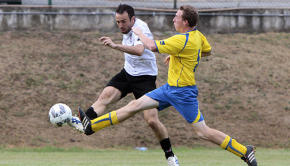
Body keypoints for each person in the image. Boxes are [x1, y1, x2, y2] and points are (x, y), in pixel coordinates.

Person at [79, 5, 257, 166]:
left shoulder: (181, 40)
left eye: (177, 17)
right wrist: (179, 55)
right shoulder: (197, 36)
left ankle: (244, 151)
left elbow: (151, 46)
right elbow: (207, 51)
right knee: (133, 105)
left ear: (185, 22)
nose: (173, 19)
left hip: (183, 93)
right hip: (169, 89)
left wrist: (139, 33)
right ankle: (91, 127)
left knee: (203, 132)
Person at [78, 4, 179, 166]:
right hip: (127, 73)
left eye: (124, 21)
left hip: (145, 79)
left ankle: (170, 155)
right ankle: (83, 124)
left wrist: (116, 45)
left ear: (133, 19)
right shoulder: (126, 27)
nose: (121, 26)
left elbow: (139, 50)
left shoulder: (141, 28)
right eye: (118, 22)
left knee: (152, 121)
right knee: (104, 97)